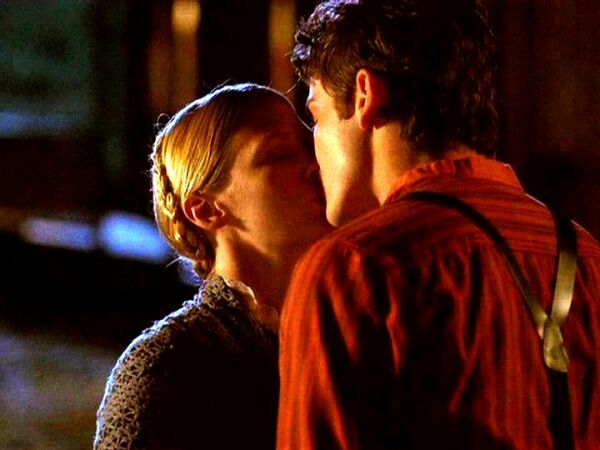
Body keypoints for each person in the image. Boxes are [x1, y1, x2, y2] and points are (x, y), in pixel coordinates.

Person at [277, 1, 600, 449]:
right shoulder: (586, 257)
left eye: (316, 115)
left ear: (365, 95)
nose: (313, 154)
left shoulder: (352, 268)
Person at [94, 83, 332, 449]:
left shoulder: (344, 331)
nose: (316, 165)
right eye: (281, 154)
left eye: (309, 144)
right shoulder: (164, 369)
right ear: (205, 209)